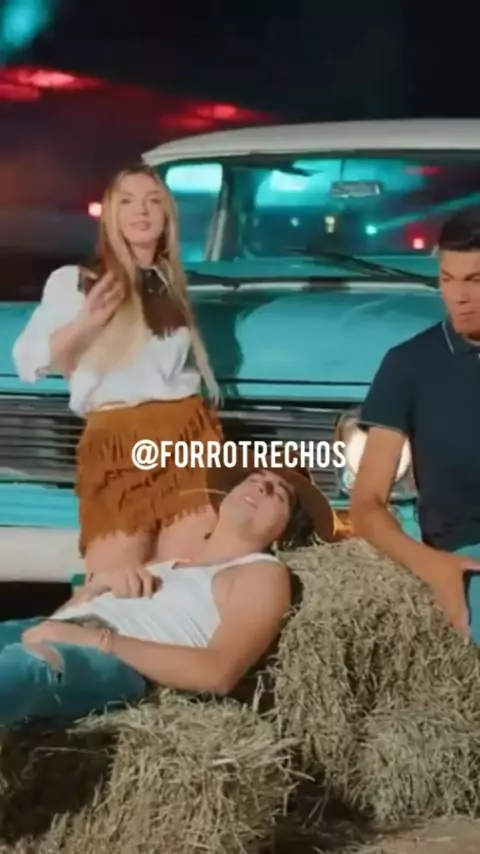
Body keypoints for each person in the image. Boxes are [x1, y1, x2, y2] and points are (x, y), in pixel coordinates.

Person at [0, 463, 334, 728]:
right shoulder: (166, 566)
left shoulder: (261, 573)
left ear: (286, 531)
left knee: (28, 667)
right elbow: (55, 624)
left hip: (103, 661)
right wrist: (93, 588)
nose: (262, 487)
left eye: (279, 494)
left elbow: (218, 672)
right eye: (255, 478)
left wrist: (96, 640)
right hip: (49, 631)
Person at [12, 164, 223, 582]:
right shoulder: (80, 280)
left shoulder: (170, 282)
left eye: (152, 201)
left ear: (167, 216)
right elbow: (28, 361)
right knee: (114, 582)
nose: (141, 211)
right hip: (119, 440)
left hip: (187, 434)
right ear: (111, 213)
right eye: (127, 201)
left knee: (182, 579)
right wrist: (86, 323)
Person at [351, 207, 480, 644]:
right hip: (468, 554)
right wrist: (431, 565)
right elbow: (366, 504)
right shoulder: (410, 364)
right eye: (448, 279)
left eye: (475, 280)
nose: (458, 296)